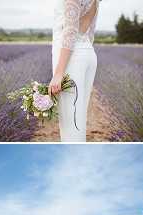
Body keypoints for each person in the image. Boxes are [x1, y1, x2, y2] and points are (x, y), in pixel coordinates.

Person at [50, 0, 100, 141]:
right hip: (88, 53)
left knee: (70, 126)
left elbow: (70, 30)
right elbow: (89, 30)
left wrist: (59, 73)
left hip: (72, 59)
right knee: (78, 122)